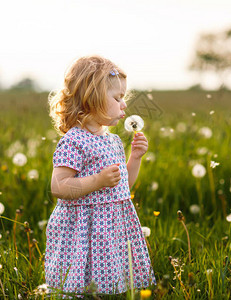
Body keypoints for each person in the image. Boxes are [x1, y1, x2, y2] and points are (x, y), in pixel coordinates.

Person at [45, 55, 156, 297]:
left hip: (111, 225)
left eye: (123, 98)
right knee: (81, 281)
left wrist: (134, 159)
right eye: (117, 98)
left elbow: (122, 186)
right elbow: (59, 186)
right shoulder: (73, 141)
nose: (124, 105)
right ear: (92, 99)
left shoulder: (113, 141)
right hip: (83, 228)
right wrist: (96, 181)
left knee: (110, 282)